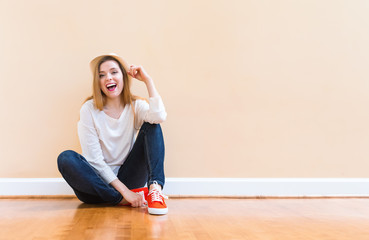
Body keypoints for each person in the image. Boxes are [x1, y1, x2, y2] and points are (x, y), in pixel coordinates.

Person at [57, 53, 168, 215]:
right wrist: (124, 194)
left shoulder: (135, 106)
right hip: (96, 186)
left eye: (114, 72)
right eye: (102, 75)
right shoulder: (89, 109)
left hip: (129, 178)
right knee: (66, 158)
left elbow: (158, 117)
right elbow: (94, 160)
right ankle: (118, 199)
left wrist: (148, 81)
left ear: (124, 76)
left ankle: (155, 190)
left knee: (152, 125)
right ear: (98, 82)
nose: (108, 77)